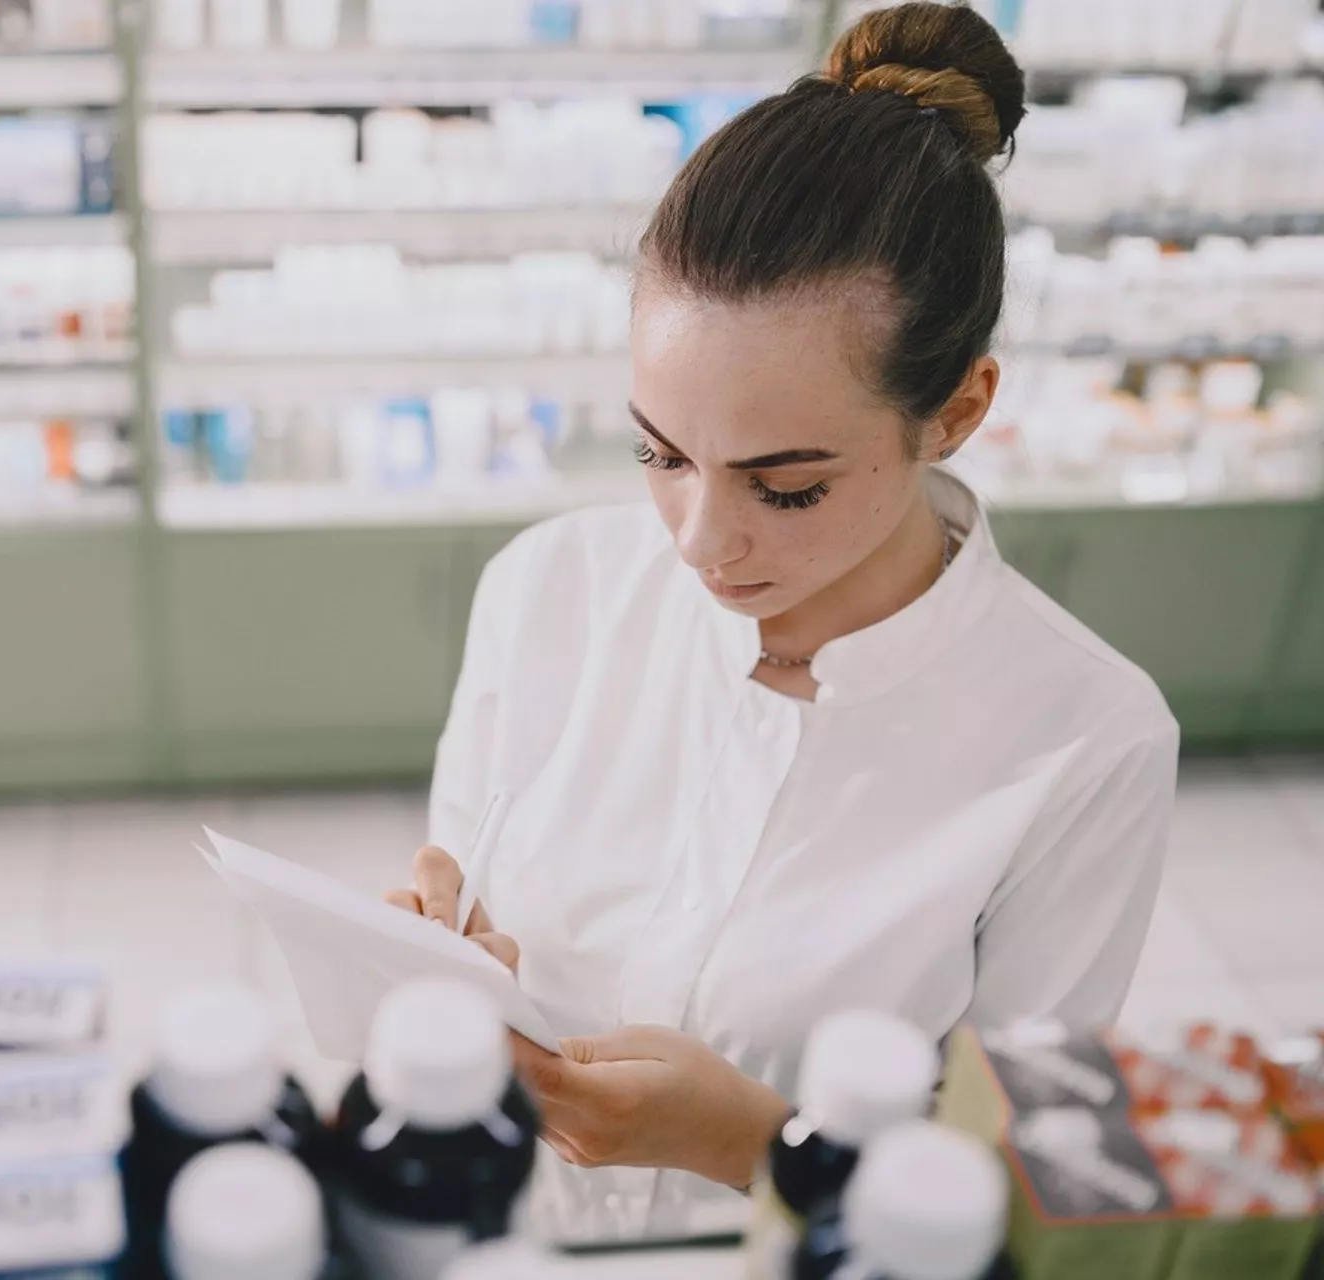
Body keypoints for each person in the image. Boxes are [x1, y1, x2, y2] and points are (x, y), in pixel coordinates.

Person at [385, 2, 1180, 1223]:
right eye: (660, 454)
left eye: (787, 483)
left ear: (958, 411)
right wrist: (438, 961)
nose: (701, 542)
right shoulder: (545, 588)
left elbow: (1031, 1182)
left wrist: (758, 1140)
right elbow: (471, 920)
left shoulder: (1087, 737)